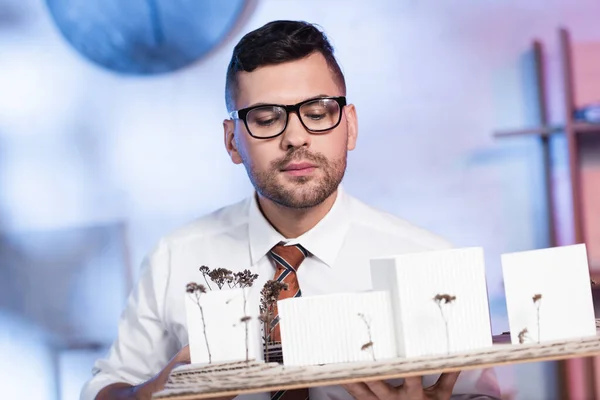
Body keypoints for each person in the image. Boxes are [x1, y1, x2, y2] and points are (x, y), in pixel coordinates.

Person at [81, 20, 502, 400]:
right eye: (266, 119)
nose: (296, 137)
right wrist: (153, 394)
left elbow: (487, 395)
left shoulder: (428, 261)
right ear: (232, 141)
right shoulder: (175, 258)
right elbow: (105, 389)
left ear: (350, 126)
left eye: (318, 113)